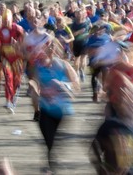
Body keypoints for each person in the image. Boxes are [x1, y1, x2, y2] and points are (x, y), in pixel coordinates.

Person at [31, 36, 79, 173]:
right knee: (49, 141)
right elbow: (35, 82)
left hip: (62, 111)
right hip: (45, 109)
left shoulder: (64, 65)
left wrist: (63, 85)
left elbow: (77, 86)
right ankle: (51, 167)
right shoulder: (38, 66)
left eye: (50, 47)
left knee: (53, 143)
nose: (46, 49)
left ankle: (52, 166)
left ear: (55, 49)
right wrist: (34, 88)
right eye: (45, 47)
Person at [0, 7, 24, 113]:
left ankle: (13, 97)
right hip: (6, 57)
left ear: (11, 19)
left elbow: (24, 39)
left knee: (16, 80)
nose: (6, 22)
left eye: (8, 20)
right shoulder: (0, 30)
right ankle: (8, 100)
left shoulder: (17, 28)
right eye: (4, 19)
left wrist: (18, 43)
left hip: (17, 58)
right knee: (8, 77)